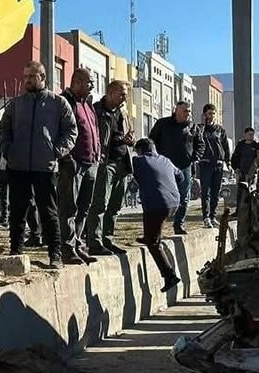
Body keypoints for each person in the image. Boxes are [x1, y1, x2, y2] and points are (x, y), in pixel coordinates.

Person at [0, 60, 78, 269]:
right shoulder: (16, 104)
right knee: (17, 212)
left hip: (45, 167)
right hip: (18, 166)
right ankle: (15, 253)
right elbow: (4, 128)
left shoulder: (58, 103)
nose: (27, 80)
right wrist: (8, 150)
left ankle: (55, 255)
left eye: (31, 77)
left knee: (48, 212)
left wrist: (56, 151)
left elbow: (71, 131)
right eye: (25, 76)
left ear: (42, 77)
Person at [86, 80, 134, 256]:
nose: (124, 98)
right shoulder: (96, 111)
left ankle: (108, 239)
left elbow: (129, 134)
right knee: (100, 204)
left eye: (125, 95)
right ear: (111, 92)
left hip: (123, 163)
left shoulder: (122, 113)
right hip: (106, 163)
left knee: (115, 205)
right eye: (122, 94)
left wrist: (130, 140)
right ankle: (95, 242)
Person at [58, 68, 100, 265]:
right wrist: (66, 157)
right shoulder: (65, 102)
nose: (92, 86)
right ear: (76, 82)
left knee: (84, 208)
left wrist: (98, 155)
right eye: (89, 82)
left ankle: (78, 245)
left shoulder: (88, 105)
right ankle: (67, 249)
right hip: (73, 164)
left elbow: (95, 131)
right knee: (69, 208)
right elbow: (58, 132)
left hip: (91, 163)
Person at [131, 138, 181, 292]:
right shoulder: (166, 160)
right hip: (174, 202)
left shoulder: (139, 161)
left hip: (157, 204)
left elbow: (128, 169)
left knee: (153, 243)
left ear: (140, 150)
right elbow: (180, 176)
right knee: (152, 225)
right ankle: (149, 236)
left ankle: (169, 275)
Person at [149, 101, 202, 235]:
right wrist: (156, 158)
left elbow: (200, 144)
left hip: (185, 166)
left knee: (183, 197)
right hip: (165, 167)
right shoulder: (163, 124)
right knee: (162, 197)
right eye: (185, 111)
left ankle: (179, 224)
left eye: (189, 111)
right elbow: (151, 141)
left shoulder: (193, 127)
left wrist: (195, 157)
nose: (188, 114)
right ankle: (157, 228)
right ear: (176, 111)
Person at [197, 103, 231, 228]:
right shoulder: (200, 129)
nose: (211, 116)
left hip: (218, 164)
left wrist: (228, 162)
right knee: (206, 191)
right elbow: (196, 142)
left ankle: (213, 216)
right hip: (205, 163)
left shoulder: (220, 130)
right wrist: (203, 124)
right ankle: (206, 217)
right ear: (204, 115)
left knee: (216, 192)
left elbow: (225, 147)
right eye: (209, 114)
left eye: (213, 113)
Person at [230, 127, 259, 210]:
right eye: (250, 134)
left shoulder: (256, 146)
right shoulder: (240, 145)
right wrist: (236, 168)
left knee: (252, 191)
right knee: (241, 192)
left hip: (252, 172)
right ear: (245, 135)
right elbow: (235, 157)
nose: (251, 136)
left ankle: (251, 210)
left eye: (252, 134)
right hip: (241, 172)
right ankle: (239, 210)